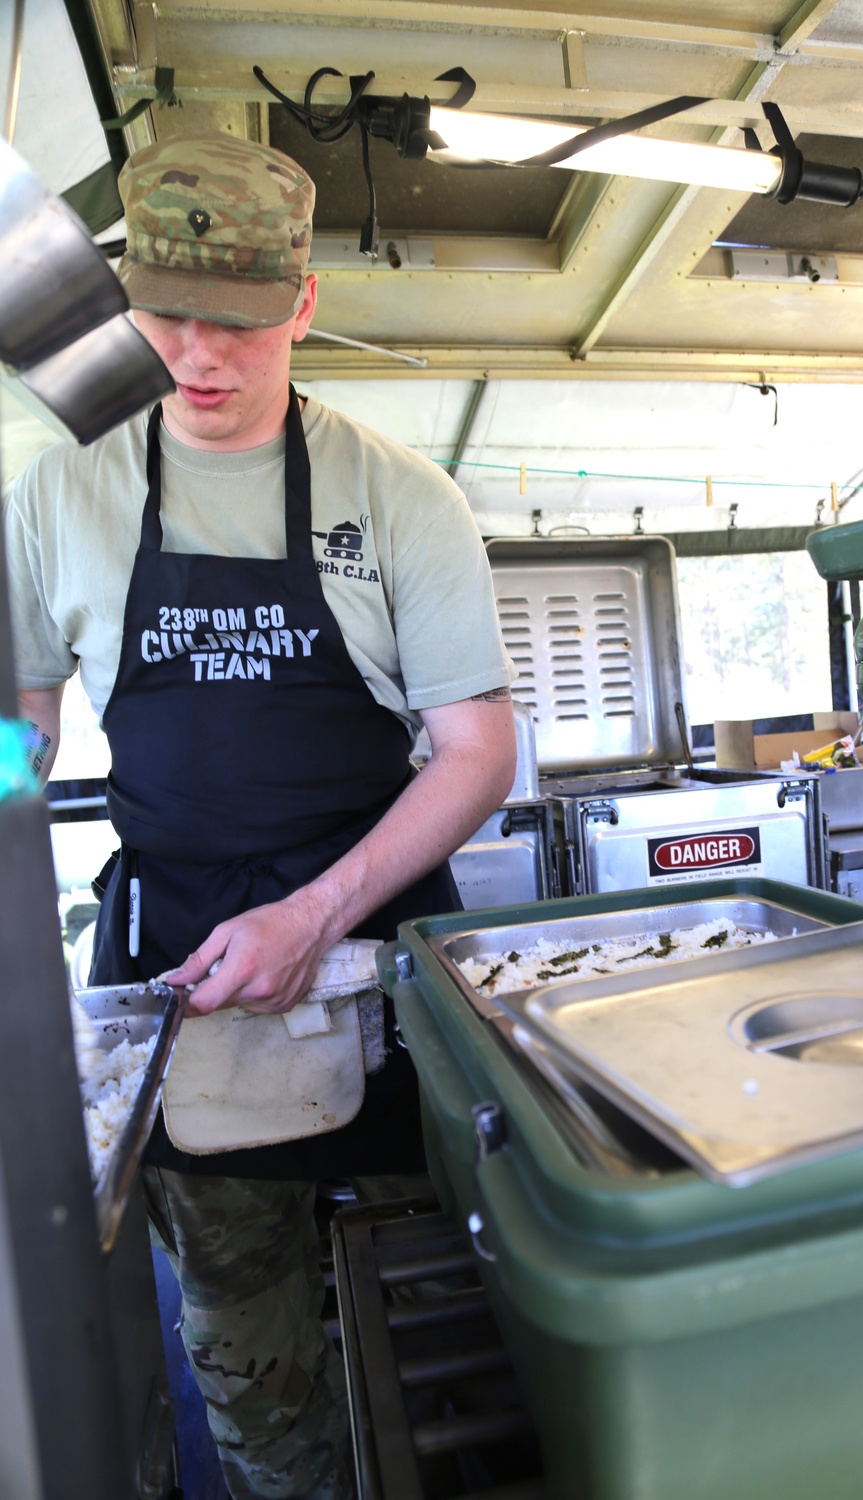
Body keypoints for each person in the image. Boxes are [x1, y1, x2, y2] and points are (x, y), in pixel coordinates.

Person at [4, 129, 517, 1499]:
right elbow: (25, 728)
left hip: (386, 965)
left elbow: (474, 752)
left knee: (466, 1301)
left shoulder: (402, 498)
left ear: (300, 302)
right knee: (250, 1341)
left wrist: (314, 913)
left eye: (235, 321)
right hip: (186, 970)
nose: (197, 358)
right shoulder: (61, 495)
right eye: (164, 316)